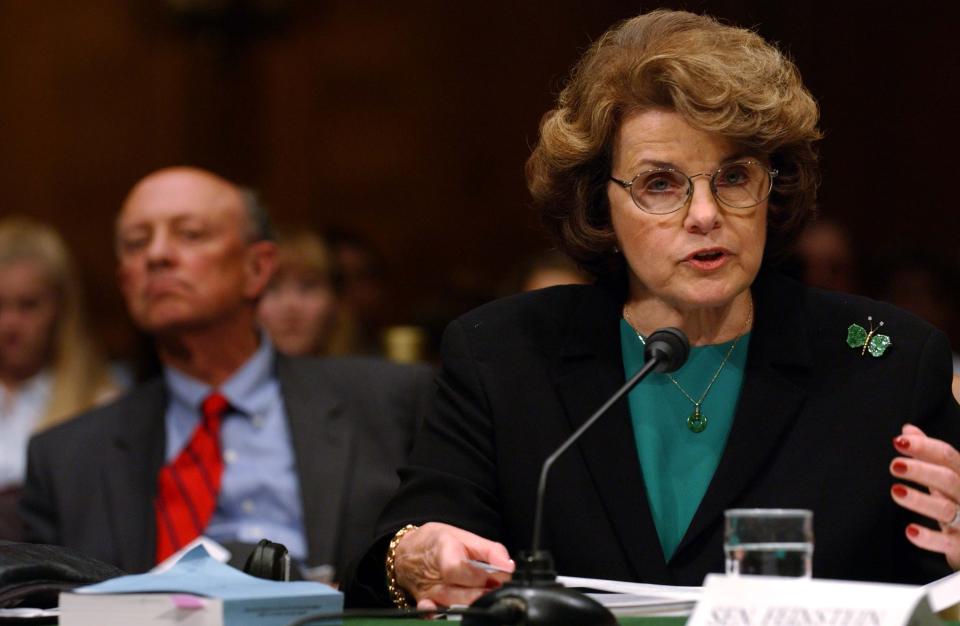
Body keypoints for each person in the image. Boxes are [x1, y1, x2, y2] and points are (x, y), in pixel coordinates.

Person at [344, 10, 960, 609]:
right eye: (660, 184)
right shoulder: (501, 357)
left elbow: (938, 583)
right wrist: (417, 555)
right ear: (598, 203)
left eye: (735, 176)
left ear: (774, 187)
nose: (704, 214)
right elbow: (406, 547)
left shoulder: (889, 366)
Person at [20, 167, 433, 580]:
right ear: (124, 281)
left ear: (257, 268)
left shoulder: (390, 403)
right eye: (135, 243)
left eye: (190, 234)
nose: (157, 255)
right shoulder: (66, 459)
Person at [0, 217, 118, 540]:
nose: (10, 324)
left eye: (28, 305)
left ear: (60, 309)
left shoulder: (102, 406)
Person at [257, 226, 352, 356]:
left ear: (335, 299)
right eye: (271, 287)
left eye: (308, 287)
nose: (290, 305)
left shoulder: (371, 374)